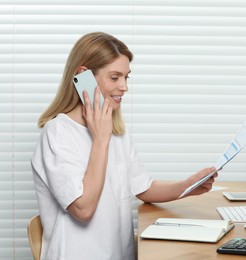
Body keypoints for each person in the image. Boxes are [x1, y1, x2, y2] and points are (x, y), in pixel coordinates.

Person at [31, 32, 218, 260]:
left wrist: (187, 186)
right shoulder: (58, 132)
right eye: (114, 77)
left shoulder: (117, 130)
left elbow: (142, 188)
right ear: (84, 77)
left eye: (126, 77)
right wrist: (100, 139)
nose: (124, 87)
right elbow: (83, 210)